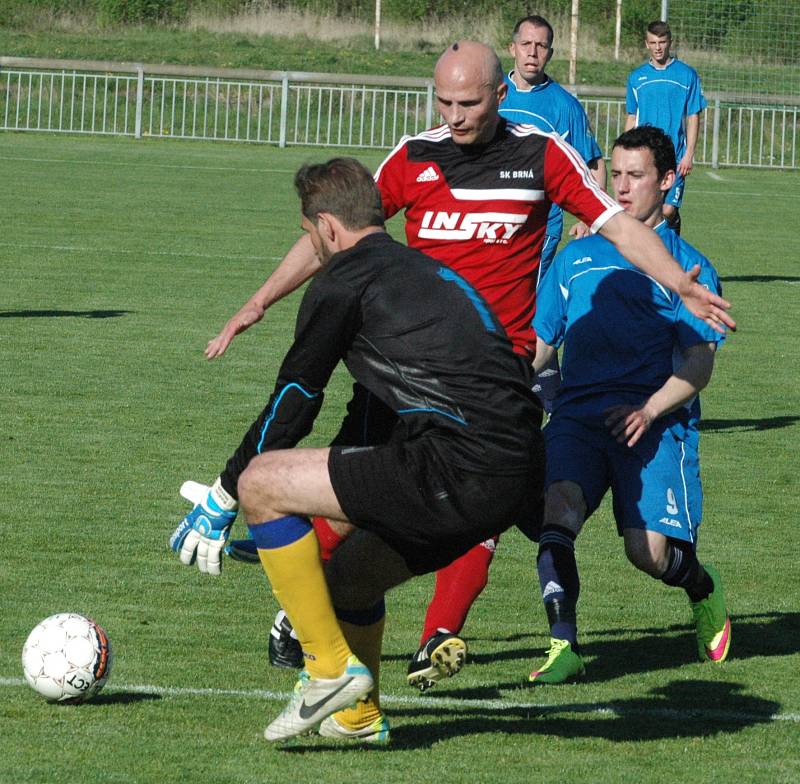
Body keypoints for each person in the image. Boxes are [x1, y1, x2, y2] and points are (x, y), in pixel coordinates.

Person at [206, 41, 733, 699]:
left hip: (500, 377)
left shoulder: (539, 152)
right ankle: (329, 622)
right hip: (410, 371)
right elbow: (335, 230)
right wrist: (258, 301)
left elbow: (619, 227)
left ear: (501, 95)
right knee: (374, 493)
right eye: (445, 102)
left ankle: (407, 637)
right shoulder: (414, 156)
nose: (456, 116)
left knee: (492, 508)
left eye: (471, 103)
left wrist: (677, 286)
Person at [169, 156, 546, 743]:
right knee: (348, 583)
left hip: (459, 463)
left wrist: (224, 494)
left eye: (306, 233)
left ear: (327, 227)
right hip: (516, 472)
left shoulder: (342, 281)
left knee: (262, 483)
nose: (310, 245)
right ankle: (358, 715)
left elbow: (295, 398)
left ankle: (324, 672)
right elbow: (372, 415)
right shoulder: (424, 273)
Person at [527, 125, 731, 685]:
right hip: (578, 419)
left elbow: (698, 363)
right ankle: (563, 645)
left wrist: (648, 409)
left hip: (654, 424)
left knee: (648, 552)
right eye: (614, 174)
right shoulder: (577, 258)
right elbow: (542, 345)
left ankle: (700, 586)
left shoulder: (687, 268)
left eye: (635, 176)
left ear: (667, 181)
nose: (620, 187)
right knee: (557, 513)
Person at [500, 13, 607, 411]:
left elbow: (592, 162)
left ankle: (534, 399)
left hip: (538, 231)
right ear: (512, 48)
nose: (533, 52)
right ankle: (547, 395)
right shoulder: (493, 94)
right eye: (526, 44)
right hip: (491, 226)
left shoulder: (564, 107)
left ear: (550, 53)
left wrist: (588, 216)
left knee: (530, 315)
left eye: (541, 46)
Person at [625, 20, 707, 234]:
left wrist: (689, 154)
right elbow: (632, 117)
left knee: (668, 210)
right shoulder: (636, 78)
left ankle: (673, 229)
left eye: (662, 42)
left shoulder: (687, 75)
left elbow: (693, 115)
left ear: (670, 42)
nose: (658, 47)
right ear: (646, 44)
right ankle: (653, 258)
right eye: (653, 42)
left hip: (674, 155)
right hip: (646, 157)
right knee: (644, 211)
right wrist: (625, 152)